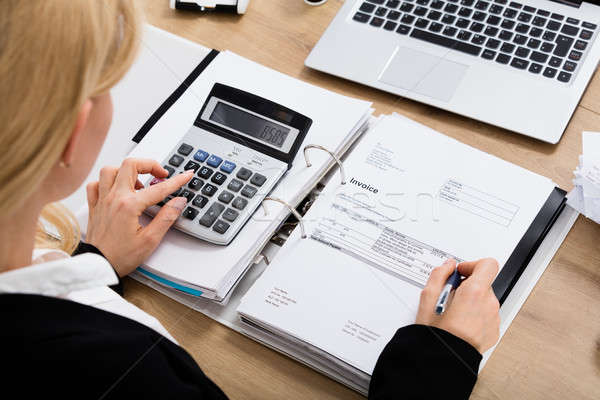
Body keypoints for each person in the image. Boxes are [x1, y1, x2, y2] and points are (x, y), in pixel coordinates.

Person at [0, 1, 500, 398]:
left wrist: (95, 263)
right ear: (73, 134)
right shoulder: (131, 372)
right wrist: (440, 357)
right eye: (108, 85)